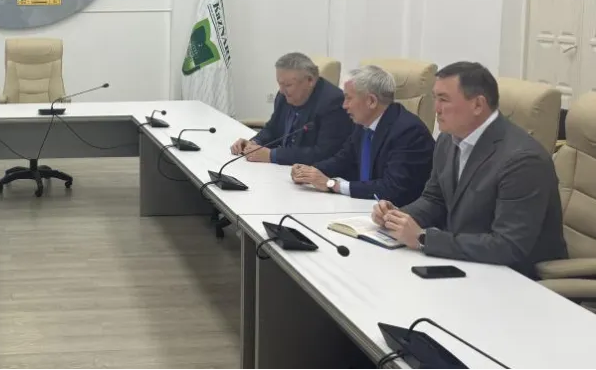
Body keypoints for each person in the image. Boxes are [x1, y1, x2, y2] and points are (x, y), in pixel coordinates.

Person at [373, 62, 567, 278]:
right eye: (435, 98)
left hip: (514, 277)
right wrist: (398, 216)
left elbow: (508, 246)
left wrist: (423, 238)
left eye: (444, 99)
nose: (436, 108)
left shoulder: (523, 160)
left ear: (477, 105)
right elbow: (435, 199)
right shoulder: (447, 140)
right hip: (464, 261)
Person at [291, 65, 434, 205]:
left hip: (398, 212)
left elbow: (392, 188)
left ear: (371, 101)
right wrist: (309, 171)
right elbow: (342, 160)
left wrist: (333, 185)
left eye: (348, 98)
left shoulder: (408, 131)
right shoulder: (363, 124)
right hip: (364, 206)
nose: (344, 105)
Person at [230, 52, 353, 165]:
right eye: (280, 84)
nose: (281, 90)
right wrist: (254, 143)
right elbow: (272, 129)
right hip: (280, 170)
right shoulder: (284, 96)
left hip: (313, 174)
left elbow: (323, 153)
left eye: (288, 85)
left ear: (310, 80)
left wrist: (272, 155)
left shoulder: (333, 102)